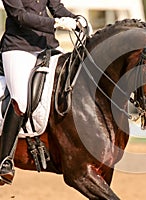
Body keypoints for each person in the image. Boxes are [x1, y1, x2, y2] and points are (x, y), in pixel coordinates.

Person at [0, 0, 85, 185]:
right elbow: (20, 16)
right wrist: (55, 23)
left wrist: (75, 19)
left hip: (48, 46)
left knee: (70, 83)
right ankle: (4, 160)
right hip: (19, 47)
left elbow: (56, 8)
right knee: (20, 100)